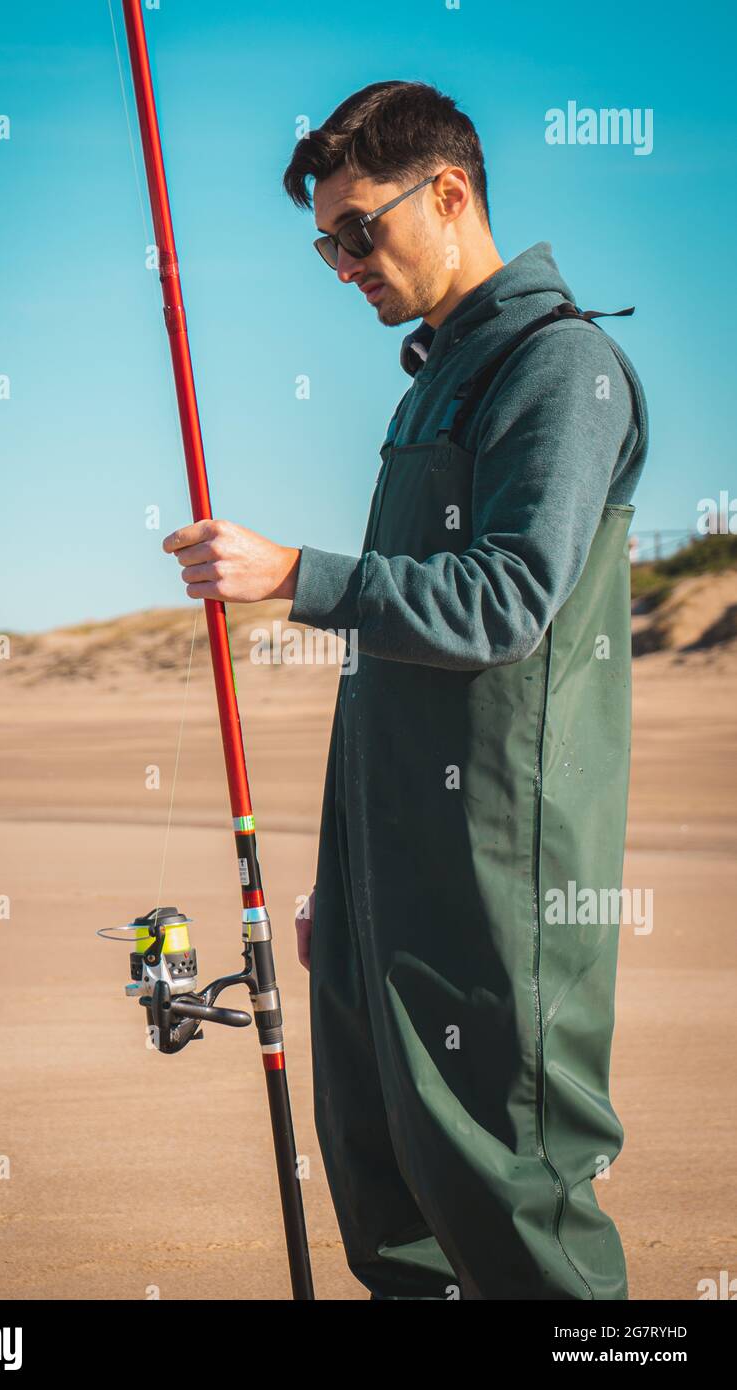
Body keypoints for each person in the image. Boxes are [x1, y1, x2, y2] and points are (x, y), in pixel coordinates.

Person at [163, 80, 648, 1300]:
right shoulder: (427, 382)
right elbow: (393, 677)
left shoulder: (559, 365)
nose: (338, 264)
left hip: (495, 898)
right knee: (391, 1213)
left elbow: (503, 602)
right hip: (388, 889)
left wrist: (291, 574)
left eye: (354, 231)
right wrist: (351, 883)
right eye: (322, 242)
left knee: (512, 1205)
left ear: (447, 193)